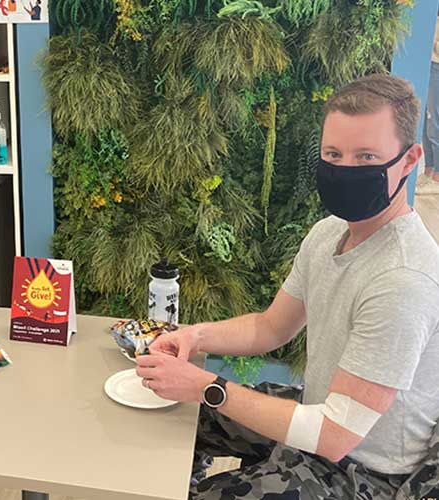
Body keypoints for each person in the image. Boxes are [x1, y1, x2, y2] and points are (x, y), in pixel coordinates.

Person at [137, 73, 439, 499]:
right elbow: (271, 327)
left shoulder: (404, 280)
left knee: (204, 415)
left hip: (365, 471)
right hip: (318, 417)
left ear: (409, 162)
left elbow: (336, 435)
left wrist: (208, 386)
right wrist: (192, 336)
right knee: (171, 410)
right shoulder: (328, 232)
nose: (344, 169)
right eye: (333, 154)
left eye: (366, 158)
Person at [417, 11, 439, 195]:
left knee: (434, 119)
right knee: (423, 118)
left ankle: (437, 174)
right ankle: (429, 169)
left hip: (437, 66)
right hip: (425, 62)